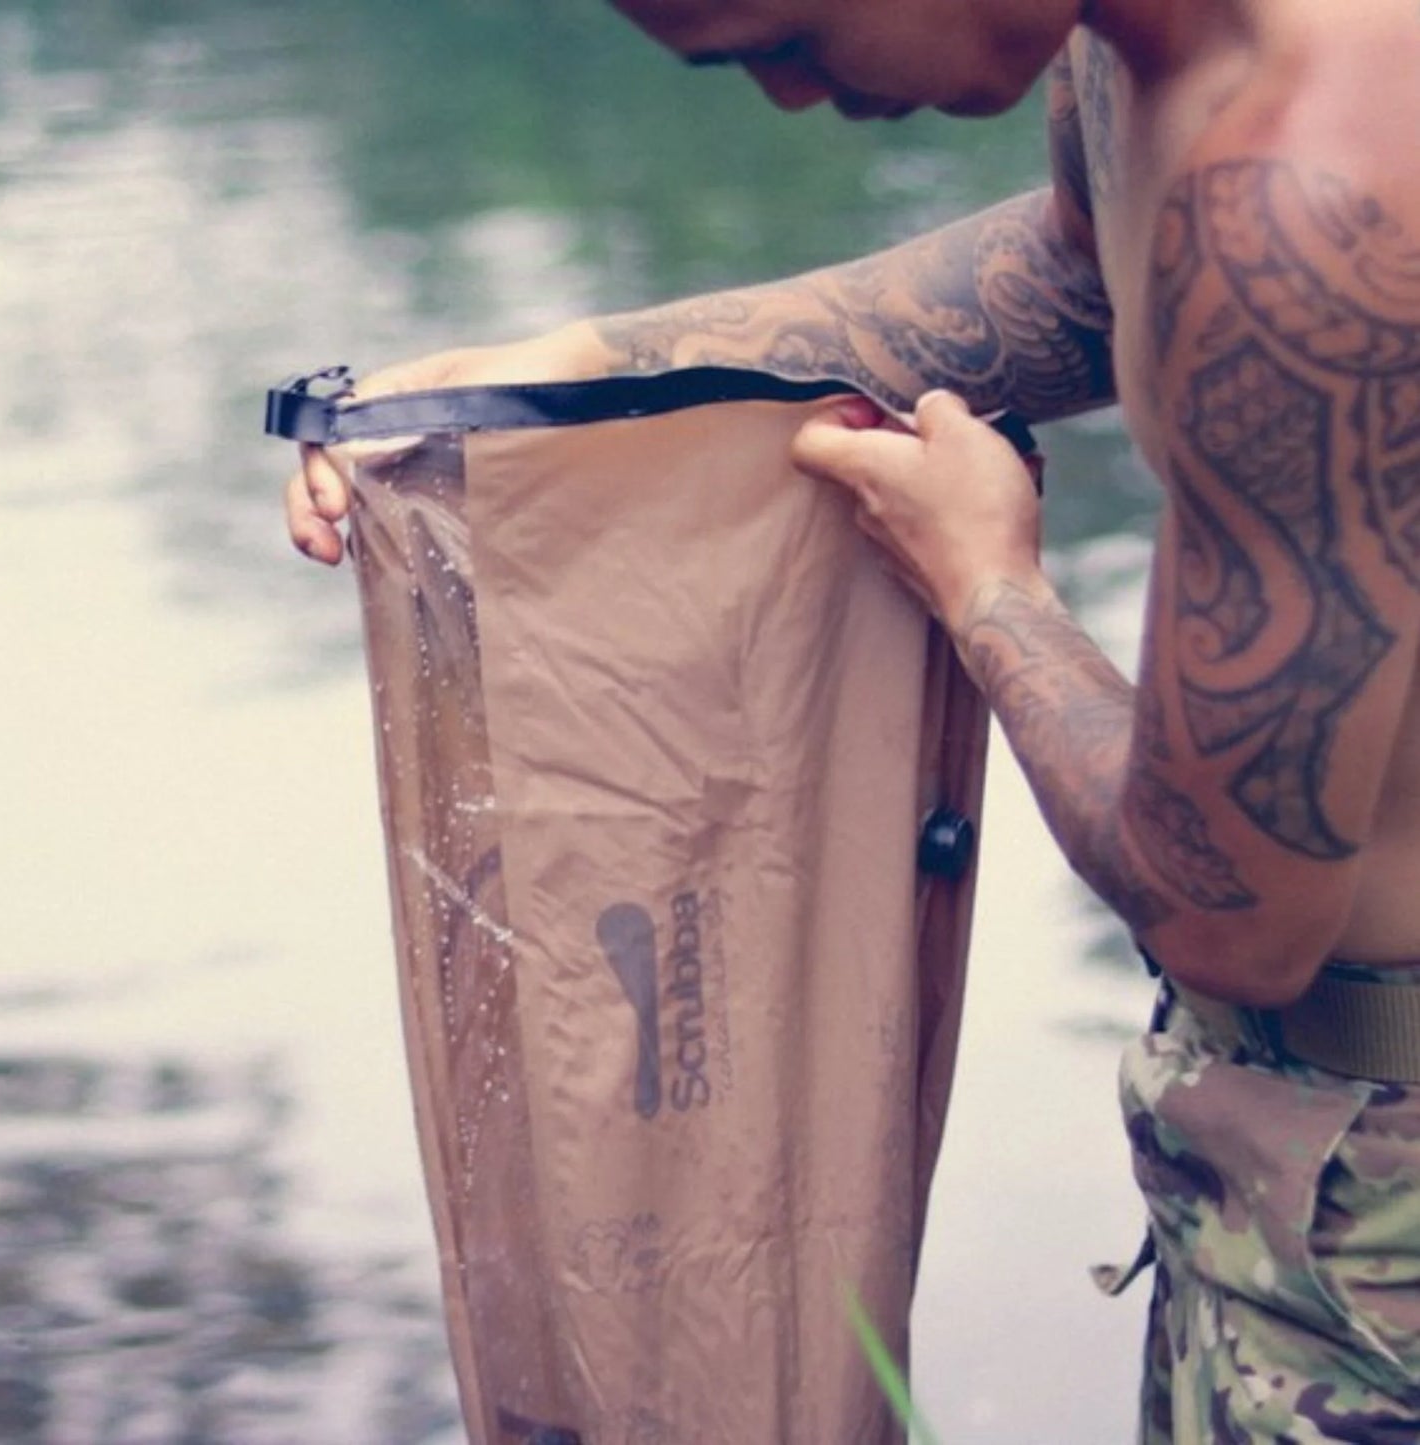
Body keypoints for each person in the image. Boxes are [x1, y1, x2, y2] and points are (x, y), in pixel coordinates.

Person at [286, 1, 1420, 1437]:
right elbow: (1083, 279)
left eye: (792, 34)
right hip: (1282, 1140)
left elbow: (1231, 915)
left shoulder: (1313, 188)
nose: (783, 96)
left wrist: (986, 584)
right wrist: (582, 368)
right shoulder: (1139, 48)